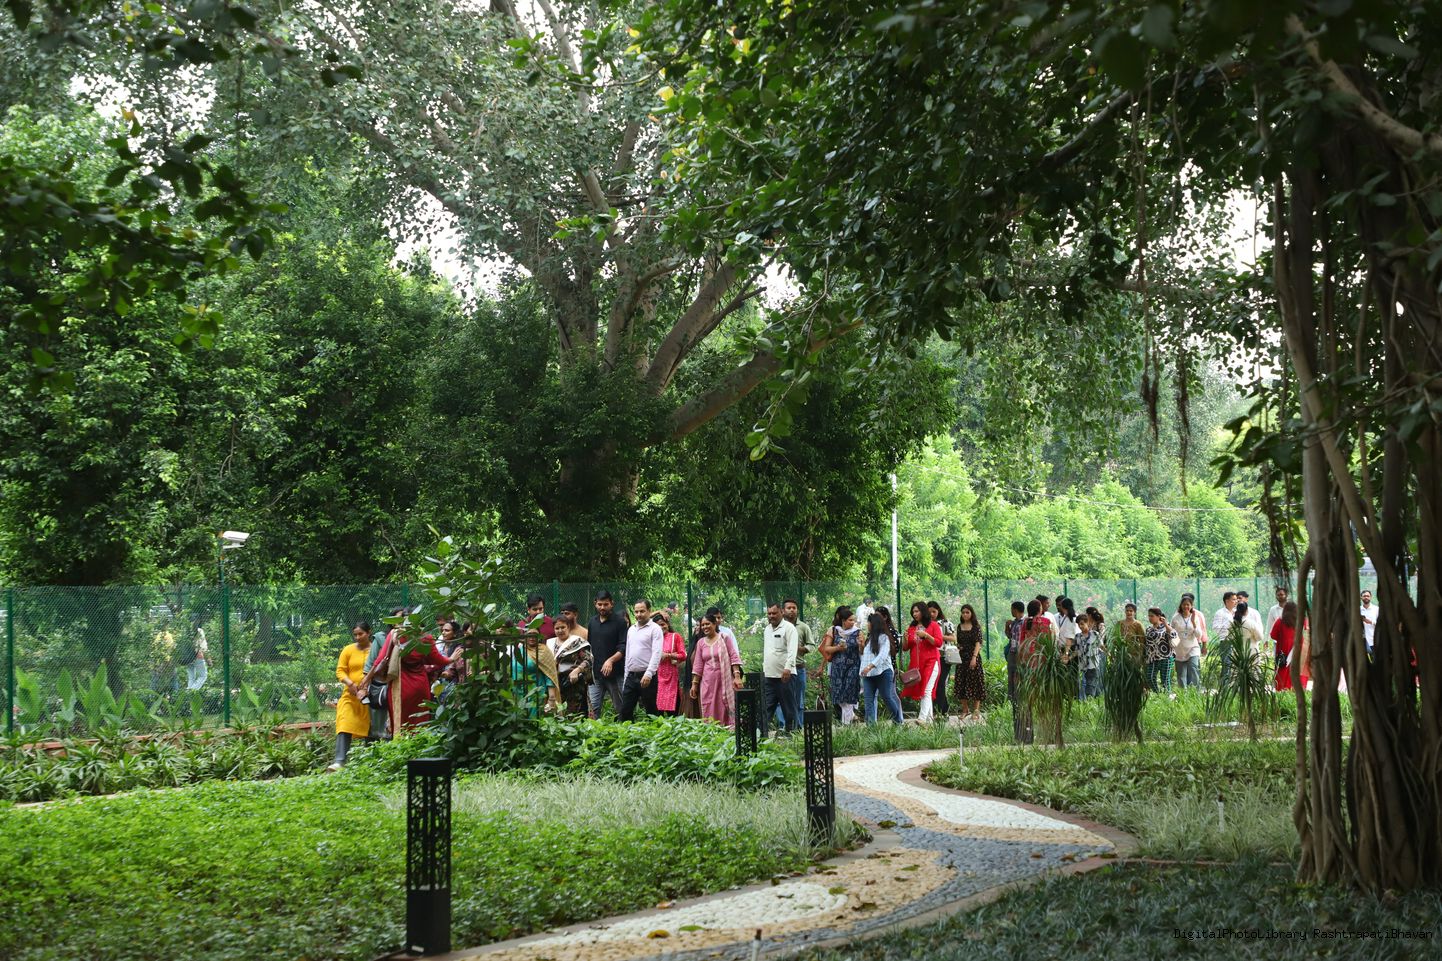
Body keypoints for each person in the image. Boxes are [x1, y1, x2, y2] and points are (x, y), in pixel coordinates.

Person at [359, 626, 455, 734]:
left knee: (400, 723)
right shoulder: (425, 637)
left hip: (400, 686)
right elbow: (438, 660)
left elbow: (381, 659)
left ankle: (400, 742)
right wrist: (451, 659)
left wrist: (366, 679)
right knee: (420, 722)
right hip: (420, 686)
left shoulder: (395, 634)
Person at [329, 622, 375, 771]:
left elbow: (379, 669)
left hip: (370, 695)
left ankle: (370, 761)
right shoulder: (348, 650)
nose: (357, 637)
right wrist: (349, 683)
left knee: (370, 727)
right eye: (355, 634)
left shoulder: (376, 649)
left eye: (361, 634)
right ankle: (339, 762)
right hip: (349, 695)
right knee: (344, 723)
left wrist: (366, 688)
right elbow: (340, 671)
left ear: (369, 632)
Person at [690, 614, 743, 726]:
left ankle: (727, 731)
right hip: (707, 683)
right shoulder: (701, 643)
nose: (705, 627)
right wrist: (694, 685)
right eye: (703, 625)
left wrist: (737, 677)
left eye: (707, 624)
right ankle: (712, 732)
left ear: (714, 624)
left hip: (723, 682)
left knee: (723, 706)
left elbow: (733, 656)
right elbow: (698, 665)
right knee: (708, 706)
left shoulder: (724, 638)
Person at [619, 599, 664, 721]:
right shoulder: (631, 629)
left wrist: (649, 673)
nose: (639, 614)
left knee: (651, 711)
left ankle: (657, 732)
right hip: (631, 676)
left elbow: (657, 653)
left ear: (649, 611)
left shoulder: (655, 629)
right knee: (625, 711)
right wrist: (626, 676)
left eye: (642, 611)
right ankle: (628, 732)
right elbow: (628, 654)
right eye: (636, 612)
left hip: (647, 676)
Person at [587, 591, 627, 718]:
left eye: (606, 604)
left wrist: (610, 660)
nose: (602, 607)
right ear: (595, 604)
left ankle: (625, 728)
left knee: (620, 707)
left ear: (612, 604)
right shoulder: (592, 622)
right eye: (600, 604)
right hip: (596, 674)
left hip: (615, 673)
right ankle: (594, 729)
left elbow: (623, 646)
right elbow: (589, 646)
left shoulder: (620, 622)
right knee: (593, 708)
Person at [761, 601, 799, 733]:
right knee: (766, 707)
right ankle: (761, 735)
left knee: (788, 708)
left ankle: (792, 734)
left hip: (785, 676)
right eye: (769, 613)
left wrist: (788, 668)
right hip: (769, 676)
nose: (771, 616)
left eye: (774, 613)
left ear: (781, 612)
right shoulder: (767, 629)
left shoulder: (789, 628)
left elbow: (792, 650)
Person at [859, 611, 903, 723]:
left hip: (883, 672)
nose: (867, 625)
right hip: (868, 675)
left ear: (874, 624)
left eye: (868, 623)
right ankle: (871, 727)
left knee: (887, 697)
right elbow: (865, 656)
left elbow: (882, 656)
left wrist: (869, 666)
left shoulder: (884, 638)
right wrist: (861, 646)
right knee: (868, 700)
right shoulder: (869, 638)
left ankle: (898, 720)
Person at [820, 606, 861, 725]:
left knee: (849, 692)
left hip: (853, 666)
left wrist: (861, 644)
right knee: (839, 693)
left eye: (854, 620)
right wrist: (838, 648)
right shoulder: (834, 630)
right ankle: (849, 719)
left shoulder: (858, 632)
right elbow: (826, 648)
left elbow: (862, 651)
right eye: (850, 620)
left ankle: (846, 723)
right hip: (837, 667)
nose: (853, 622)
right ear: (843, 620)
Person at [902, 601, 943, 722]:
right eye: (913, 612)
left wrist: (926, 635)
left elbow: (939, 643)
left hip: (931, 661)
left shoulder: (933, 625)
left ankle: (922, 719)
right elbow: (905, 648)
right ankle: (929, 722)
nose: (914, 614)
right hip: (917, 665)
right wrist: (905, 639)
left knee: (926, 690)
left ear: (923, 611)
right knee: (925, 691)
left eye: (917, 611)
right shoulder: (911, 628)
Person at [513, 627, 562, 717]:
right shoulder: (519, 649)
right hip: (518, 692)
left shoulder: (544, 651)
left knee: (534, 720)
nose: (532, 638)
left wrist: (551, 698)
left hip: (535, 693)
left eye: (534, 635)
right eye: (529, 635)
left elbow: (550, 675)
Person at [949, 604, 985, 720]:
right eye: (963, 612)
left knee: (976, 682)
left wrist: (974, 657)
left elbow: (978, 643)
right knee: (961, 682)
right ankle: (965, 710)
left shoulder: (976, 627)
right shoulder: (959, 627)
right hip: (961, 658)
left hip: (973, 656)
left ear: (971, 613)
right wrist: (957, 648)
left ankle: (976, 711)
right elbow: (958, 642)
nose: (965, 614)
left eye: (967, 612)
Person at [783, 599, 814, 727]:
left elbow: (811, 645)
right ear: (783, 610)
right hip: (782, 669)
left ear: (797, 610)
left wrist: (800, 649)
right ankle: (783, 726)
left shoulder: (803, 627)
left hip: (799, 668)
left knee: (798, 699)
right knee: (782, 699)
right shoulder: (779, 627)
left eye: (794, 608)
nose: (792, 610)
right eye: (789, 608)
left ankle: (799, 727)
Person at [552, 617, 593, 715]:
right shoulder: (550, 643)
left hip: (574, 684)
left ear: (568, 627)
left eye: (563, 627)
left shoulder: (577, 642)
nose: (560, 630)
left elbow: (589, 660)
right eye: (557, 628)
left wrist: (577, 670)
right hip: (556, 683)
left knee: (576, 714)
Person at [653, 611, 687, 717]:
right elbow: (642, 621)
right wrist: (658, 612)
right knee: (657, 710)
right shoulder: (653, 639)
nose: (661, 627)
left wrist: (668, 655)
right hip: (656, 677)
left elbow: (683, 655)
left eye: (663, 624)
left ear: (667, 624)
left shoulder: (675, 637)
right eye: (658, 626)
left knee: (673, 708)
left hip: (671, 677)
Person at [1170, 595, 1207, 690]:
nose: (1186, 606)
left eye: (1188, 605)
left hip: (1193, 647)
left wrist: (1193, 623)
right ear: (1181, 605)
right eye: (1184, 604)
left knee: (1193, 668)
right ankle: (1183, 694)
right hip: (1180, 649)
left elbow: (1198, 635)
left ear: (1191, 606)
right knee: (1181, 674)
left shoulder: (1195, 617)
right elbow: (1172, 632)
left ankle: (1195, 692)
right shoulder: (1176, 617)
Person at [928, 600, 956, 717]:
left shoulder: (945, 623)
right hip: (930, 657)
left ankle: (942, 711)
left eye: (934, 611)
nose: (932, 614)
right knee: (932, 684)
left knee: (940, 683)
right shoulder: (925, 624)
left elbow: (953, 638)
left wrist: (938, 637)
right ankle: (940, 709)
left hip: (944, 657)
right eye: (929, 612)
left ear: (938, 611)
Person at [1002, 601, 1026, 737]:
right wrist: (1007, 628)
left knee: (1017, 678)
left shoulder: (1023, 623)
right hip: (1012, 652)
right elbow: (1011, 637)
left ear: (1015, 610)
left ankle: (1017, 694)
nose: (1011, 611)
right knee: (1012, 677)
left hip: (1019, 654)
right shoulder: (1015, 623)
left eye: (1012, 609)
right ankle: (1012, 694)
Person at [1144, 608, 1175, 693]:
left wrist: (1165, 624)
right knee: (1150, 678)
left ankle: (1166, 697)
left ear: (1159, 616)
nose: (1150, 618)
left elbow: (1173, 635)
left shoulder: (1166, 626)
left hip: (1165, 657)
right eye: (1149, 616)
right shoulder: (1149, 629)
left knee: (1165, 680)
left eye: (1152, 616)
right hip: (1152, 658)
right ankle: (1158, 694)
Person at [1074, 612, 1103, 700]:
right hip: (1082, 666)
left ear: (1087, 623)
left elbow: (1101, 646)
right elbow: (1077, 651)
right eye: (1079, 624)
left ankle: (1090, 702)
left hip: (1093, 665)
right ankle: (1095, 701)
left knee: (1090, 686)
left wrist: (1109, 653)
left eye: (1082, 624)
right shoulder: (1077, 636)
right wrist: (1068, 657)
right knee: (1086, 685)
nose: (1080, 626)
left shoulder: (1095, 634)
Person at [1271, 600, 1299, 691]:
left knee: (1281, 671)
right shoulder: (1299, 622)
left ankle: (1281, 690)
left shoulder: (1279, 621)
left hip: (1282, 651)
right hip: (1296, 650)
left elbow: (1273, 635)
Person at [186, 623, 209, 690]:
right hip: (197, 655)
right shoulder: (199, 631)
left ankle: (189, 693)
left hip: (187, 657)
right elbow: (203, 645)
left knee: (191, 677)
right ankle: (190, 691)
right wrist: (207, 657)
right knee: (203, 676)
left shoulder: (186, 630)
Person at [1360, 590, 1378, 654]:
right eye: (1364, 596)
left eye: (1368, 596)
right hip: (1361, 640)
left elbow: (1381, 624)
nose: (1366, 597)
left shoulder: (1376, 609)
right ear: (1361, 597)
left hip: (1373, 639)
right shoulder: (1358, 610)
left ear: (1370, 597)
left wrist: (1370, 622)